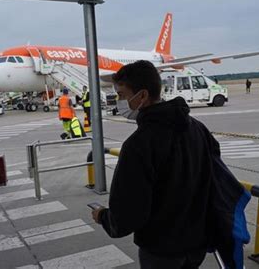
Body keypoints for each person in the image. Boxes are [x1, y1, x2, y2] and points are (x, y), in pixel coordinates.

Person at [91, 60, 249, 269]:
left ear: (143, 96)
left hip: (161, 249)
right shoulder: (197, 128)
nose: (119, 102)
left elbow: (129, 211)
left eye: (122, 95)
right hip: (197, 243)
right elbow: (214, 177)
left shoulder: (139, 144)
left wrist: (103, 217)